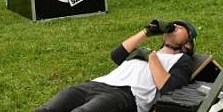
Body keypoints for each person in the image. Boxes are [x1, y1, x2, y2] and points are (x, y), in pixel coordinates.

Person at [36, 19, 197, 112]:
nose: (175, 27)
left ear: (188, 44)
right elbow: (117, 55)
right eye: (173, 25)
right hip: (98, 84)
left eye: (180, 28)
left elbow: (170, 88)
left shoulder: (183, 60)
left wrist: (151, 57)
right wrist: (147, 32)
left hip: (125, 95)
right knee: (48, 110)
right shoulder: (145, 51)